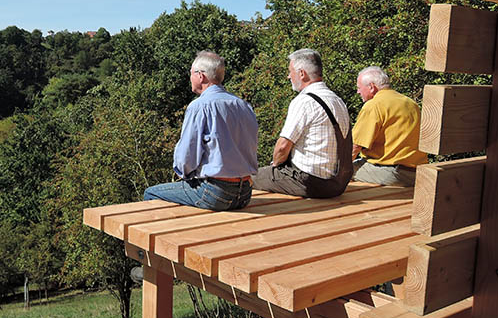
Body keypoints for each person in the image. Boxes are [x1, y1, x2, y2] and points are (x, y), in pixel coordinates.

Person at [142, 50, 258, 211]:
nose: (189, 78)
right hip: (245, 192)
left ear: (200, 76)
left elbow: (187, 156)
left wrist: (182, 172)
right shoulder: (243, 105)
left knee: (151, 193)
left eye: (191, 73)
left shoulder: (199, 106)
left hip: (215, 192)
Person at [252, 49, 352, 198]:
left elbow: (282, 148)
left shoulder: (304, 101)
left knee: (250, 177)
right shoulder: (337, 100)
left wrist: (275, 166)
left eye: (290, 71)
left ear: (302, 74)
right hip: (338, 184)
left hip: (309, 183)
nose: (288, 76)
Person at [351, 66, 427, 186]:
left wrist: (339, 170)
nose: (358, 92)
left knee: (344, 172)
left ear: (371, 87)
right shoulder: (410, 103)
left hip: (391, 173)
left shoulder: (373, 105)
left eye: (359, 88)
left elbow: (354, 147)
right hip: (417, 173)